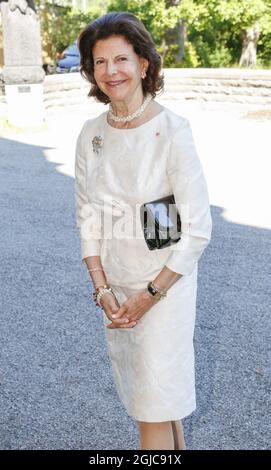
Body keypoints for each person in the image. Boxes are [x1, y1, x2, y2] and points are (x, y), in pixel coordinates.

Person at [75, 11, 212, 450]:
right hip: (116, 290)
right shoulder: (91, 134)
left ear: (144, 64)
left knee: (151, 405)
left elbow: (197, 230)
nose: (111, 71)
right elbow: (87, 215)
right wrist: (103, 291)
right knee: (154, 400)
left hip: (164, 289)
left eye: (121, 59)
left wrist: (149, 296)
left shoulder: (173, 130)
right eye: (100, 62)